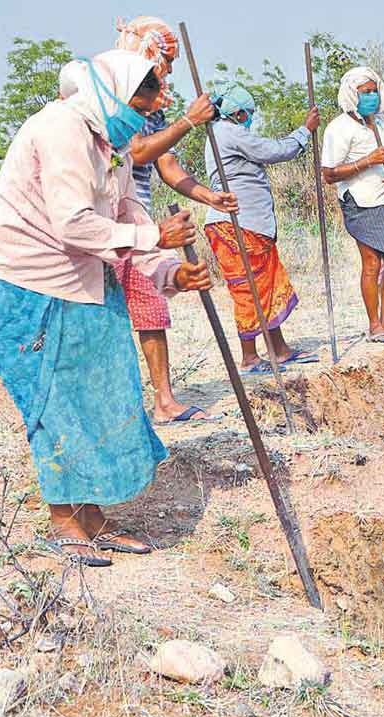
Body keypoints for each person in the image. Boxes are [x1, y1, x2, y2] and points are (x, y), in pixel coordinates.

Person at [0, 50, 215, 566]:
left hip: (72, 278)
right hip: (10, 280)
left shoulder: (111, 144)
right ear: (113, 91)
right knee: (53, 394)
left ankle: (91, 517)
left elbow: (127, 215)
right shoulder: (60, 128)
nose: (154, 104)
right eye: (145, 94)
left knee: (99, 385)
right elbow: (73, 223)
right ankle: (65, 522)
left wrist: (170, 272)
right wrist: (154, 235)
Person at [113, 16, 238, 423]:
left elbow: (166, 164)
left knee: (149, 301)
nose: (168, 70)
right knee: (103, 312)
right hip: (105, 218)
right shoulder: (117, 97)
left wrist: (208, 196)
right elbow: (139, 150)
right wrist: (188, 121)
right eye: (166, 59)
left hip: (138, 214)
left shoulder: (152, 102)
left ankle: (165, 401)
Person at [202, 81, 321, 374]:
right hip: (236, 224)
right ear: (239, 114)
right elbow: (272, 151)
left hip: (251, 224)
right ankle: (250, 357)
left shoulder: (224, 132)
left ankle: (279, 349)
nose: (251, 118)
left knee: (266, 285)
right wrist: (304, 131)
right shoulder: (229, 133)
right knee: (248, 288)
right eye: (249, 113)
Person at [320, 66, 384, 343]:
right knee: (372, 263)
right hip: (360, 202)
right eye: (366, 92)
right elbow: (329, 174)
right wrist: (367, 161)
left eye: (374, 90)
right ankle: (374, 324)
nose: (372, 96)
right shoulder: (339, 129)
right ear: (353, 95)